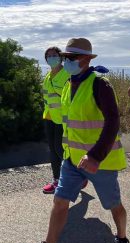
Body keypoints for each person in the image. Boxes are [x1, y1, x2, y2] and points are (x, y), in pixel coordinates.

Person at [16, 38, 130, 243]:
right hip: (72, 159)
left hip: (101, 162)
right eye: (65, 57)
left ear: (87, 59)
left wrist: (96, 156)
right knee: (60, 202)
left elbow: (113, 122)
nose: (66, 61)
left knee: (113, 205)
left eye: (71, 58)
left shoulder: (101, 84)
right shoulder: (69, 83)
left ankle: (122, 240)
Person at [42, 47, 69, 193]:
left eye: (54, 55)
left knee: (60, 150)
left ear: (61, 57)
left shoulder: (67, 74)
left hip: (62, 119)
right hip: (49, 117)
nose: (51, 58)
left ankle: (75, 177)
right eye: (49, 56)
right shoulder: (47, 76)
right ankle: (56, 180)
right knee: (52, 150)